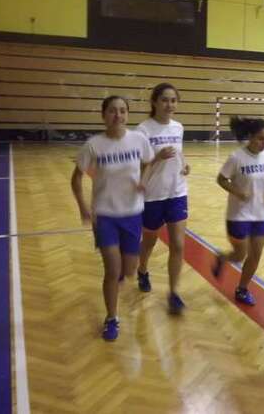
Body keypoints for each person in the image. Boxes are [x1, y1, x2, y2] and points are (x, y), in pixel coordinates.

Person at [71, 95, 154, 341]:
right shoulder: (93, 145)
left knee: (128, 271)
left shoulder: (139, 140)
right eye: (112, 111)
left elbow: (149, 163)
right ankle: (111, 318)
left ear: (127, 114)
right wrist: (83, 207)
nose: (118, 115)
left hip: (133, 214)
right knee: (112, 269)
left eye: (122, 110)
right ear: (103, 115)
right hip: (105, 216)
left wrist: (143, 180)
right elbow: (76, 178)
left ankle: (119, 277)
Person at [136, 83, 191, 315]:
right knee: (149, 241)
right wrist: (157, 157)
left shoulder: (178, 127)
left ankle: (174, 293)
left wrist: (184, 164)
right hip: (152, 196)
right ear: (155, 102)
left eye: (173, 100)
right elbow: (139, 166)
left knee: (178, 244)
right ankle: (142, 270)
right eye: (165, 100)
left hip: (177, 192)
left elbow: (179, 153)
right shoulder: (143, 130)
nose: (170, 104)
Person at [212, 117, 264, 306]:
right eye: (260, 138)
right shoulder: (236, 157)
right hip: (239, 215)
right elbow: (221, 179)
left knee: (255, 255)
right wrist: (238, 192)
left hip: (261, 214)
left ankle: (242, 289)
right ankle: (223, 258)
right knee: (240, 254)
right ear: (251, 137)